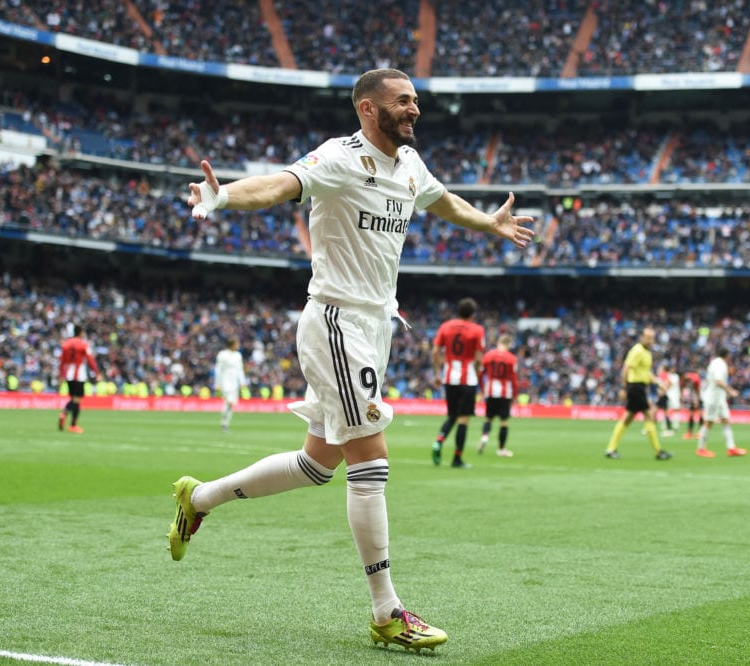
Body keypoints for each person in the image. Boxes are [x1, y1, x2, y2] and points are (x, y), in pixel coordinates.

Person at [169, 68, 533, 652]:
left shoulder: (409, 165)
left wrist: (487, 221)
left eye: (415, 100)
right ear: (368, 109)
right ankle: (387, 611)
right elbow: (280, 184)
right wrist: (225, 195)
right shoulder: (339, 157)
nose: (414, 109)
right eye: (402, 101)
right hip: (336, 322)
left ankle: (199, 498)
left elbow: (441, 200)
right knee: (372, 460)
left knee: (318, 464)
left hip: (376, 325)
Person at [431, 297, 485, 468]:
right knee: (463, 420)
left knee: (452, 416)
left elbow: (435, 352)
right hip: (467, 378)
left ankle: (439, 440)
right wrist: (477, 375)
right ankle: (457, 459)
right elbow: (478, 358)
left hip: (449, 378)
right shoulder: (477, 329)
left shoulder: (445, 326)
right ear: (473, 314)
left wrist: (437, 374)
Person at [604, 327, 672, 460]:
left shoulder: (647, 353)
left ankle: (611, 448)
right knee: (648, 415)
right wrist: (623, 388)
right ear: (642, 338)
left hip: (639, 387)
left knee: (627, 418)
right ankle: (658, 451)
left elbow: (646, 373)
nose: (650, 340)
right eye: (647, 337)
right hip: (635, 387)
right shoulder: (637, 350)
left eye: (652, 338)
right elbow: (626, 368)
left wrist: (659, 382)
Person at [694, 348, 747, 458]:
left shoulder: (715, 363)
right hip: (713, 398)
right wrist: (730, 390)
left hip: (719, 398)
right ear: (727, 355)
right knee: (709, 422)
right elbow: (719, 381)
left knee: (726, 420)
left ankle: (731, 448)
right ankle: (701, 449)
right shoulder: (720, 365)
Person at [478, 332, 518, 457]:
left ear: (498, 343)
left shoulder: (488, 355)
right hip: (505, 392)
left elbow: (480, 374)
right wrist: (515, 395)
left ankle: (484, 437)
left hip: (490, 390)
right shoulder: (512, 358)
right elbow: (514, 379)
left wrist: (482, 389)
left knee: (488, 418)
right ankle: (501, 449)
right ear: (508, 345)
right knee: (504, 421)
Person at [58, 324, 101, 434]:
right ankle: (71, 423)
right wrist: (97, 373)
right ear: (81, 332)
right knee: (77, 401)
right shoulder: (83, 344)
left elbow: (62, 361)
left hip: (68, 373)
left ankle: (65, 415)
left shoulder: (66, 344)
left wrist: (61, 375)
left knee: (73, 399)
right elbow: (90, 359)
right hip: (79, 374)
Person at [214, 337, 248, 432]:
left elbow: (240, 370)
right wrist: (217, 383)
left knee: (231, 403)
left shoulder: (238, 355)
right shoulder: (222, 354)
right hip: (224, 380)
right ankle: (224, 423)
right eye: (236, 344)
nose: (238, 345)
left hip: (234, 382)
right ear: (231, 344)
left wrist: (242, 382)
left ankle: (225, 423)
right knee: (228, 401)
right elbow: (218, 369)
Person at [681, 370, 703, 439]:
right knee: (691, 414)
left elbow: (698, 390)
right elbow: (685, 389)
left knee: (700, 414)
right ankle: (690, 433)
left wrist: (698, 400)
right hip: (692, 397)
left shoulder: (695, 379)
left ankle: (701, 432)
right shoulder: (685, 380)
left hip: (698, 396)